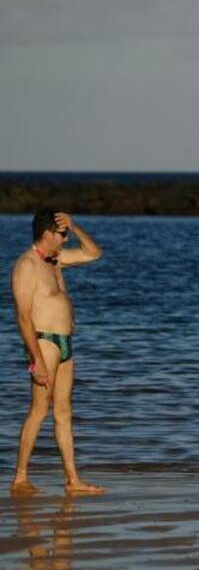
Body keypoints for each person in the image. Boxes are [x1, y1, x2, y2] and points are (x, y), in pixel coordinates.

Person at [10, 210, 105, 496]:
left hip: (65, 342)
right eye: (61, 233)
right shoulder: (27, 266)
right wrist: (36, 359)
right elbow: (23, 318)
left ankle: (73, 480)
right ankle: (20, 477)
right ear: (47, 233)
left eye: (65, 233)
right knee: (39, 410)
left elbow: (94, 253)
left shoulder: (56, 261)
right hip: (44, 343)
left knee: (63, 411)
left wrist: (74, 226)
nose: (64, 239)